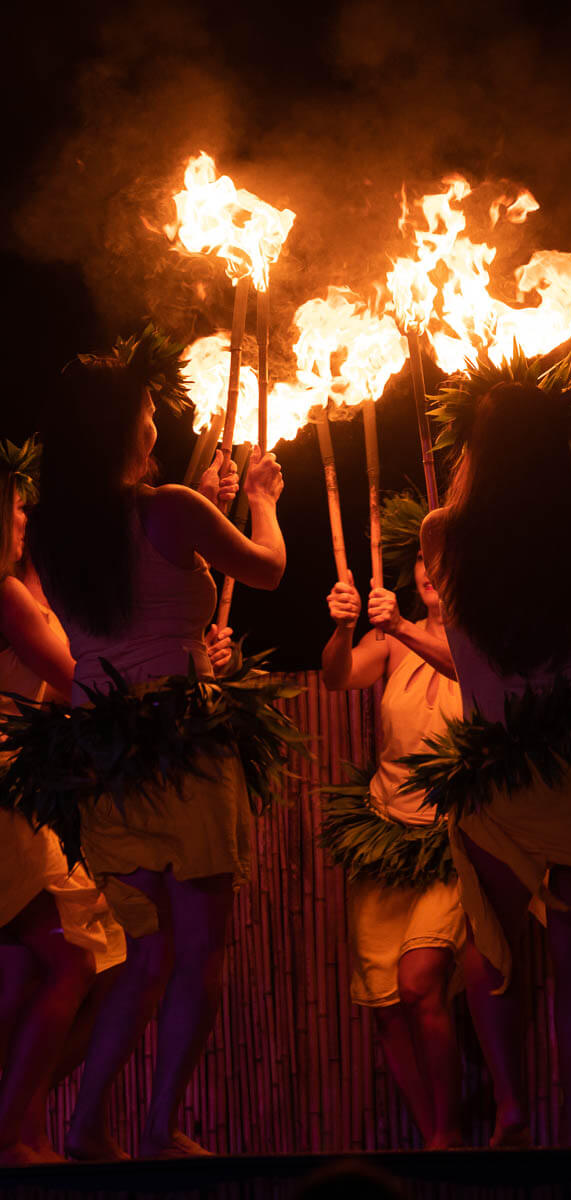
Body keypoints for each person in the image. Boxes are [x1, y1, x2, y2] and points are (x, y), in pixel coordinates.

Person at [19, 330, 287, 1160]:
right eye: (144, 413)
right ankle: (158, 1125)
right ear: (120, 428)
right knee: (198, 950)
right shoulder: (168, 506)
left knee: (143, 952)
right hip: (185, 747)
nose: (155, 430)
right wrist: (265, 499)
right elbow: (269, 571)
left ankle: (88, 1126)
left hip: (105, 757)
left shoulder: (54, 533)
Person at [412, 376, 571, 1147]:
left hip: (499, 764)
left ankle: (515, 1114)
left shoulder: (440, 533)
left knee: (491, 942)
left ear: (476, 451)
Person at [321, 493, 465, 1149]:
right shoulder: (391, 644)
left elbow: (461, 667)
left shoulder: (480, 640)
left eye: (443, 559)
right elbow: (337, 678)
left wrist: (405, 626)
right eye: (421, 562)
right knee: (383, 1001)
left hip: (452, 840)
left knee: (419, 983)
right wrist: (345, 628)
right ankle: (428, 1130)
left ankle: (451, 1132)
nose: (427, 571)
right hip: (386, 833)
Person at [0, 441, 126, 1165]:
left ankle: (27, 1126)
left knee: (45, 967)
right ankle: (11, 1129)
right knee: (77, 959)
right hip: (5, 793)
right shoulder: (3, 593)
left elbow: (55, 643)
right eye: (17, 508)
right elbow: (76, 676)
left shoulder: (17, 588)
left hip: (17, 786)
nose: (24, 517)